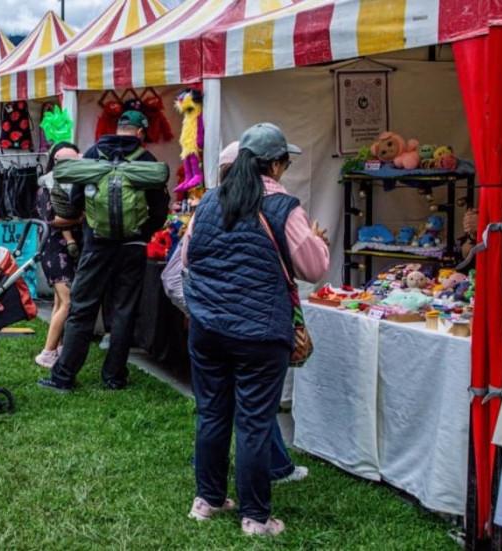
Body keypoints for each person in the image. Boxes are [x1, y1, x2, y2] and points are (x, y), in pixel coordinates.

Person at [184, 124, 329, 536]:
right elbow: (314, 268)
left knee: (211, 414)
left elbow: (190, 260)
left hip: (208, 328)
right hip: (260, 332)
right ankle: (255, 517)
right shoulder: (284, 207)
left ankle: (208, 500)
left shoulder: (209, 201)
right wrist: (316, 240)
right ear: (277, 164)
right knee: (253, 421)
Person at [38, 111, 168, 392]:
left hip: (96, 244)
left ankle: (64, 376)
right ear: (141, 132)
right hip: (133, 246)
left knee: (82, 308)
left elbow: (74, 202)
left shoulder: (94, 153)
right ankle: (114, 377)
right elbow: (159, 209)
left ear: (118, 128)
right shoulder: (145, 161)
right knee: (124, 310)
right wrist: (143, 232)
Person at [34, 142, 83, 369]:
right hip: (55, 249)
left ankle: (58, 348)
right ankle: (48, 352)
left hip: (64, 249)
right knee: (68, 301)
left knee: (59, 301)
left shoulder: (71, 184)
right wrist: (83, 219)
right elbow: (52, 219)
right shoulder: (47, 186)